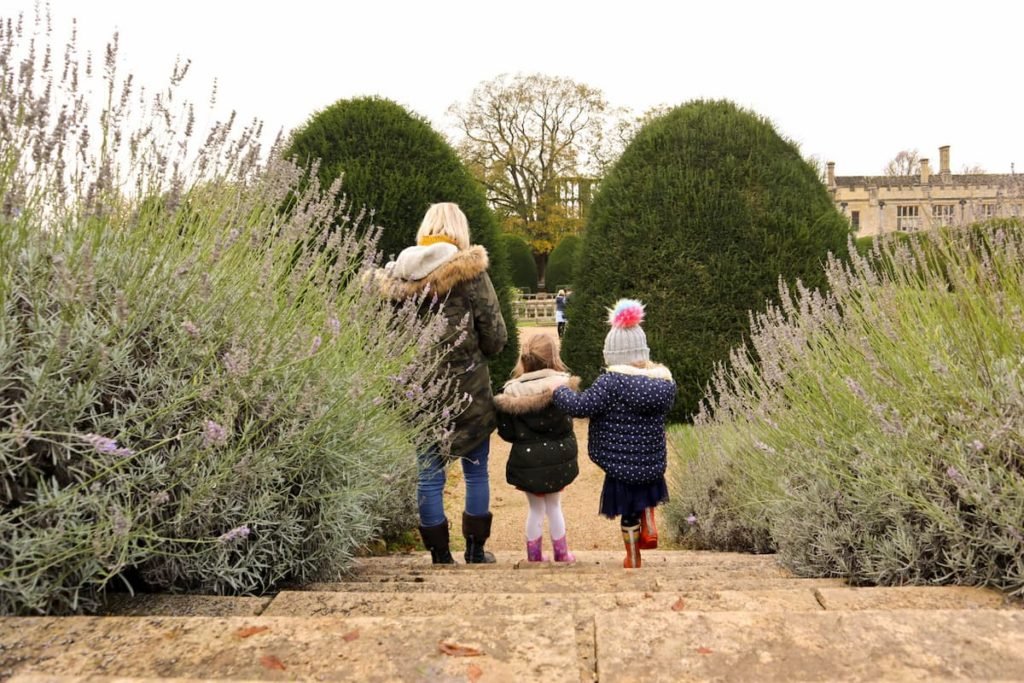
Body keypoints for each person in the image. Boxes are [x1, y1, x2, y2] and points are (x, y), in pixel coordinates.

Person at [372, 202, 507, 564]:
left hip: (418, 391)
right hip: (468, 390)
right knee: (476, 473)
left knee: (429, 475)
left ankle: (439, 555)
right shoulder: (470, 272)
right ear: (459, 230)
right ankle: (476, 552)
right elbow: (495, 336)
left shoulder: (394, 278)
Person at [552, 299, 675, 568]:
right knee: (646, 496)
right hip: (650, 460)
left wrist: (559, 391)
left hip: (619, 464)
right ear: (643, 351)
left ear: (611, 353)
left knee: (627, 513)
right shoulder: (662, 382)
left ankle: (633, 557)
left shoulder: (610, 382)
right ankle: (650, 522)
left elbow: (581, 407)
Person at [494, 333, 580, 563]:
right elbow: (568, 423)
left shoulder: (512, 393)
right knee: (554, 507)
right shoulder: (563, 387)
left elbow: (506, 433)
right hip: (559, 458)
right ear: (553, 357)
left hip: (528, 461)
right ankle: (562, 554)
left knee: (535, 510)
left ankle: (534, 556)